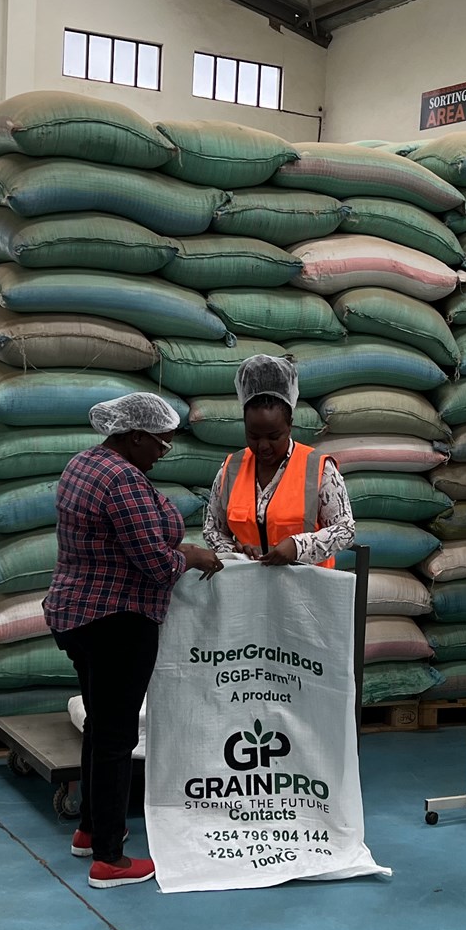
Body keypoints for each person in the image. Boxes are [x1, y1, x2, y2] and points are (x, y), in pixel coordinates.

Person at [43, 392, 222, 890]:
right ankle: (110, 859)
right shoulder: (122, 481)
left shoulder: (84, 463)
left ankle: (88, 829)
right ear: (135, 435)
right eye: (161, 442)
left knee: (100, 727)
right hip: (116, 621)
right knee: (118, 736)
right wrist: (190, 554)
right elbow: (158, 566)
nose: (164, 450)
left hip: (76, 615)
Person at [204, 353, 356, 568]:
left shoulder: (318, 469)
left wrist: (299, 546)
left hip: (305, 589)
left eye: (274, 436)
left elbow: (345, 529)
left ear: (290, 425)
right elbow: (214, 529)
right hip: (248, 585)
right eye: (253, 436)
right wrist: (234, 551)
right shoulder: (231, 468)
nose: (263, 446)